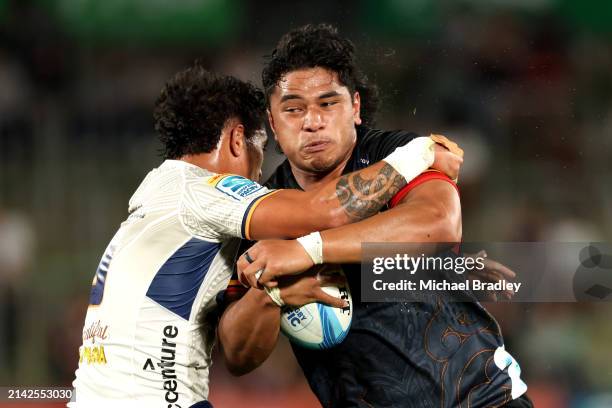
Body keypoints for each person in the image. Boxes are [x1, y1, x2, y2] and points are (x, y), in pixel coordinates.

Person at [69, 63, 460, 407]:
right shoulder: (206, 189)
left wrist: (270, 293)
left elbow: (237, 355)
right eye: (259, 150)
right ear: (239, 140)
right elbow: (323, 210)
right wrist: (420, 153)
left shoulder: (161, 195)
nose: (258, 175)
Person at [220, 24, 532, 408]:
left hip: (481, 398)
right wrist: (270, 296)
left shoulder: (396, 155)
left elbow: (438, 223)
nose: (312, 121)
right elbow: (237, 355)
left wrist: (307, 251)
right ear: (272, 122)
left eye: (328, 103)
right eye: (293, 108)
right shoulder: (263, 210)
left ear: (355, 107)